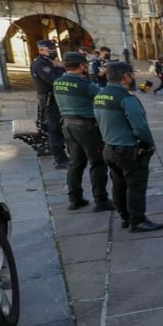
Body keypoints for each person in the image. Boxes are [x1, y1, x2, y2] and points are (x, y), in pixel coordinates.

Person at [94, 62, 163, 233]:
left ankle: (125, 217)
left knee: (118, 183)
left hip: (109, 147)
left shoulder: (100, 95)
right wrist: (149, 143)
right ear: (126, 77)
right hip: (128, 149)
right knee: (135, 185)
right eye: (131, 75)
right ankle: (137, 220)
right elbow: (140, 127)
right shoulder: (127, 98)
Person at [52, 51, 111, 212]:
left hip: (67, 125)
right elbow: (102, 98)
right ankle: (101, 200)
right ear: (81, 66)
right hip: (86, 126)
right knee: (97, 162)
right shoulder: (84, 84)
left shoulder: (57, 82)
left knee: (75, 162)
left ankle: (75, 199)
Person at [30, 39, 69, 169]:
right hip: (50, 101)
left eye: (53, 49)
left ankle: (63, 155)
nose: (52, 51)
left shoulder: (49, 62)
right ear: (41, 50)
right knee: (55, 130)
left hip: (56, 100)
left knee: (59, 128)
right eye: (50, 49)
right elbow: (56, 81)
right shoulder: (41, 64)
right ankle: (60, 159)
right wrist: (60, 67)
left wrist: (59, 67)